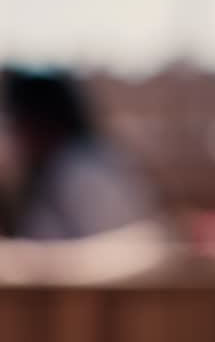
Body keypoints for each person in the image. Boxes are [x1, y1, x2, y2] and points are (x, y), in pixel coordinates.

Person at [1, 67, 162, 239]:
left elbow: (117, 250)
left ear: (41, 122)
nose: (14, 136)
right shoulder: (54, 168)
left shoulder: (80, 171)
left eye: (16, 124)